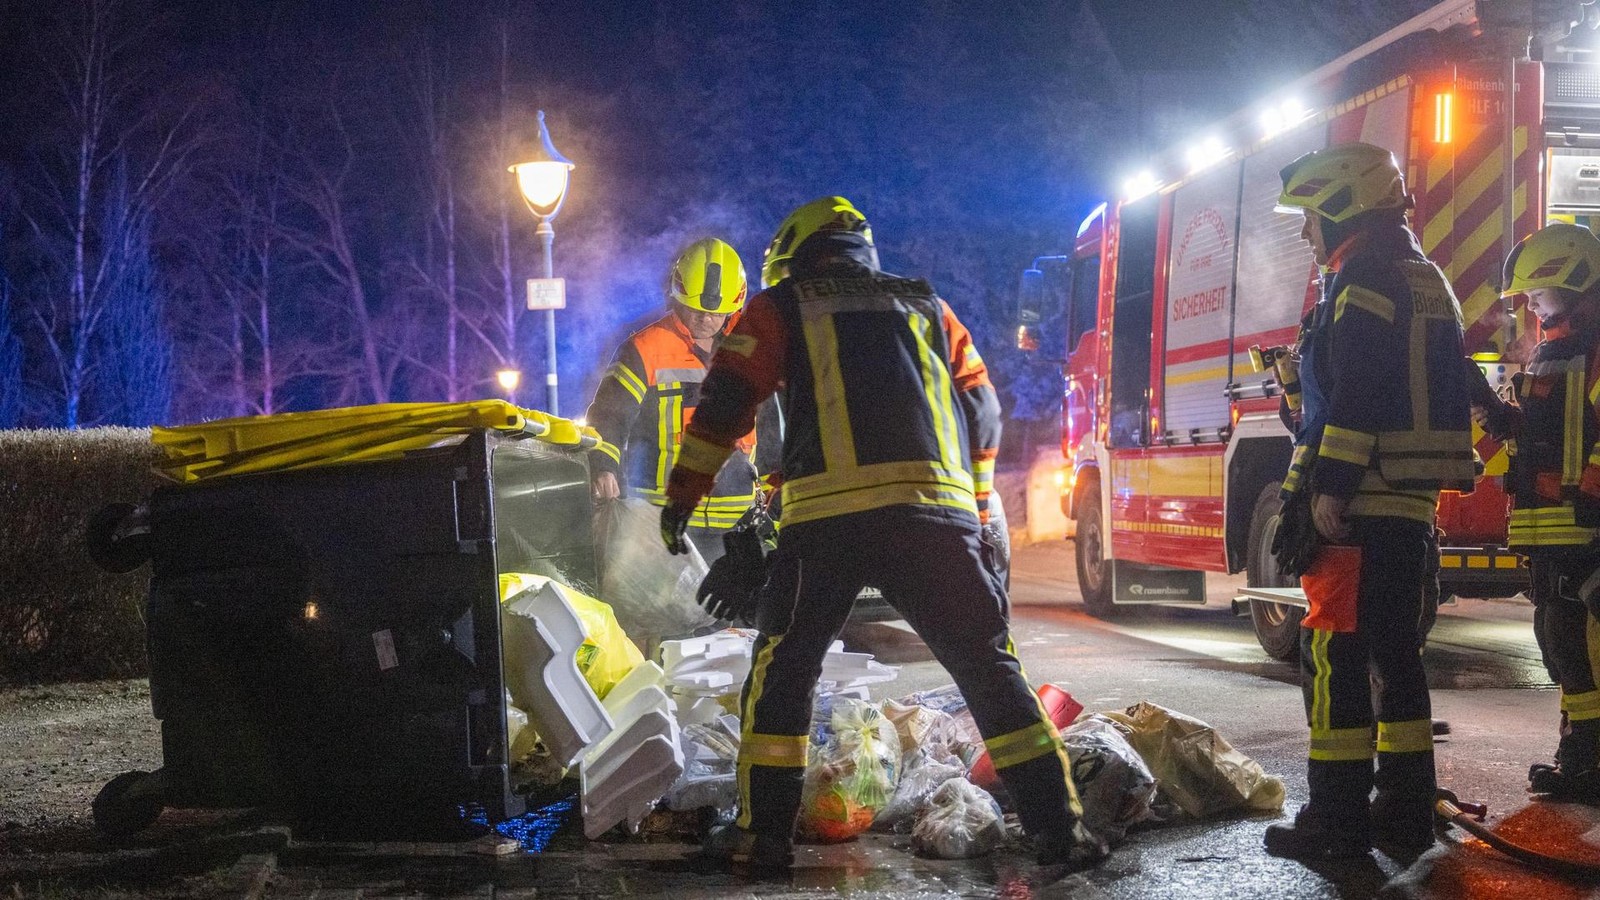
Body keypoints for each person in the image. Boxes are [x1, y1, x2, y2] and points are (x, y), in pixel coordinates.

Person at [658, 196, 1107, 871]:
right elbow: (982, 407)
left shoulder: (783, 305)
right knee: (990, 670)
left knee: (783, 672)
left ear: (797, 257)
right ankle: (1061, 833)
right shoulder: (927, 304)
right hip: (935, 519)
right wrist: (977, 505)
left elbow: (726, 401)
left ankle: (762, 838)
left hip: (829, 523)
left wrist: (681, 498)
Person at [1265, 143, 1476, 860]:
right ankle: (1405, 810)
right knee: (1395, 655)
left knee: (1332, 655)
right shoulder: (1426, 276)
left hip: (1364, 503)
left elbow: (1363, 392)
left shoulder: (1362, 279)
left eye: (1309, 217)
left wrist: (1332, 488)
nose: (1304, 234)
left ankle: (1335, 821)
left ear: (1341, 208)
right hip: (1408, 506)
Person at [1474, 222, 1600, 802]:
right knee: (1559, 640)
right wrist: (1487, 409)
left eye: (1539, 295)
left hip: (1584, 523)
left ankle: (1587, 758)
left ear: (1574, 282)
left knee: (1579, 644)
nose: (1531, 307)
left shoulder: (1592, 349)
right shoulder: (1555, 351)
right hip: (1553, 526)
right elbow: (1535, 430)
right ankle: (1579, 755)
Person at [585, 237, 767, 563]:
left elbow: (771, 428)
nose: (707, 319)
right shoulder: (644, 348)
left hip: (739, 524)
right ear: (677, 296)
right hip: (665, 525)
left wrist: (776, 496)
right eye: (697, 309)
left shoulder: (753, 347)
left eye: (718, 312)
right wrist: (603, 464)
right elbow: (609, 415)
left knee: (743, 614)